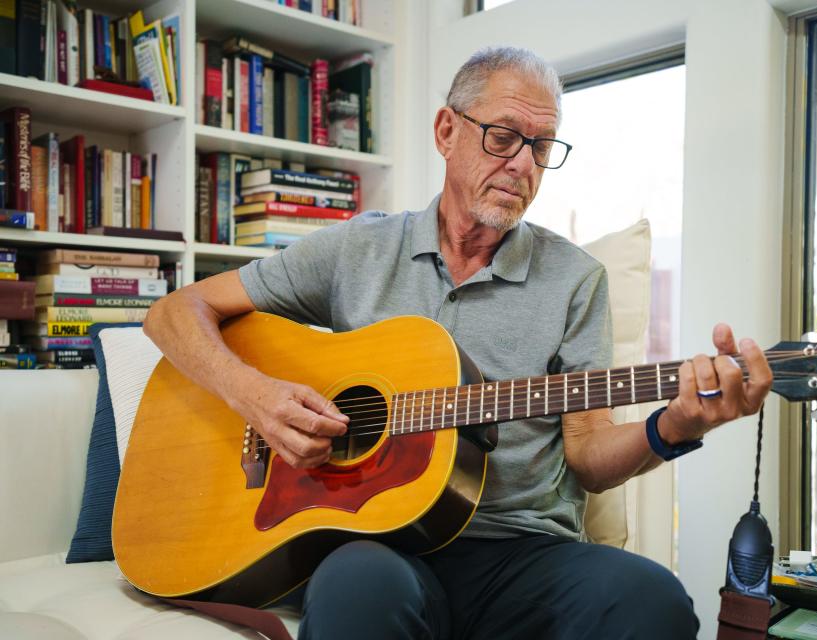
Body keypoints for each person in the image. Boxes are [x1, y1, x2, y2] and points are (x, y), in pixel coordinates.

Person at [144, 46, 772, 639]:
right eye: (503, 137)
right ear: (447, 131)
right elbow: (173, 313)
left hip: (520, 555)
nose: (524, 165)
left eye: (543, 146)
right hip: (374, 545)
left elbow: (587, 455)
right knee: (356, 587)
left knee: (653, 601)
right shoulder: (357, 249)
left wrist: (676, 425)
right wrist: (252, 394)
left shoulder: (577, 280)